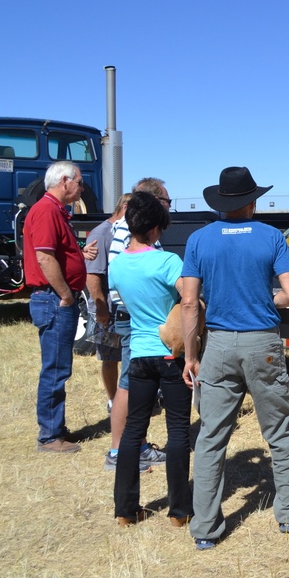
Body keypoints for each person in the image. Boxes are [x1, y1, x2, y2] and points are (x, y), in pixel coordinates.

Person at [180, 166, 289, 550]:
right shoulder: (272, 237)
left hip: (217, 345)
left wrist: (190, 354)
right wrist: (264, 300)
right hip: (262, 345)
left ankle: (205, 529)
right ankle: (288, 516)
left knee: (211, 437)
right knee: (279, 431)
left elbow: (189, 302)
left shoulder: (199, 239)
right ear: (253, 202)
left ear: (220, 202)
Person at [109, 191, 193, 526]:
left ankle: (125, 510)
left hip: (139, 354)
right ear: (156, 228)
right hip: (170, 354)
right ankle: (179, 511)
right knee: (177, 432)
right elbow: (189, 299)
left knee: (132, 432)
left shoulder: (117, 266)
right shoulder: (168, 262)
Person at [104, 178, 171, 472]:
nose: (170, 209)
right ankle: (119, 451)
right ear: (155, 203)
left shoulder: (136, 233)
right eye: (167, 203)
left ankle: (137, 445)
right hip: (134, 317)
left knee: (132, 383)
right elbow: (126, 277)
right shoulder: (128, 233)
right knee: (129, 385)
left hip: (134, 316)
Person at [23, 161, 89, 453]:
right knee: (55, 369)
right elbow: (45, 258)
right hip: (53, 299)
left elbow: (57, 253)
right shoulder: (47, 211)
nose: (82, 188)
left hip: (55, 298)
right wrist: (65, 295)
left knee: (59, 366)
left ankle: (55, 428)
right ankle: (50, 436)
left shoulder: (54, 211)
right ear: (65, 181)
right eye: (80, 182)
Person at [85, 193, 131, 414]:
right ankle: (114, 401)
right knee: (110, 357)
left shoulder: (122, 231)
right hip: (107, 310)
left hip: (120, 307)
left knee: (124, 356)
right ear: (124, 207)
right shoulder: (101, 234)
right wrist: (101, 309)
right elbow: (92, 276)